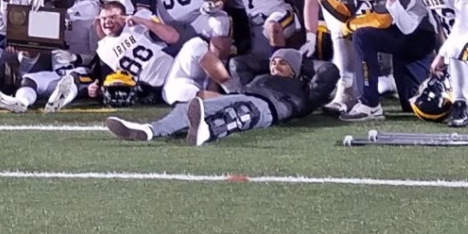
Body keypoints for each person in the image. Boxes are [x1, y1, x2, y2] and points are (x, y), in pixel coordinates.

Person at [311, 0, 436, 122]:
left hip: (416, 36)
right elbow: (346, 11)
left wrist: (351, 26)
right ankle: (370, 94)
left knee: (362, 35)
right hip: (398, 35)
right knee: (410, 104)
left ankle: (369, 104)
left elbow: (384, 18)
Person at [104, 48, 338, 145]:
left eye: (283, 64)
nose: (275, 67)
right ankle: (149, 130)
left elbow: (330, 71)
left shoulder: (303, 91)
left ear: (296, 69)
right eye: (273, 63)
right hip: (244, 95)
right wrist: (276, 56)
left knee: (243, 113)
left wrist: (302, 64)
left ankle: (207, 132)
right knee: (191, 106)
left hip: (269, 108)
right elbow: (239, 63)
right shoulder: (256, 79)